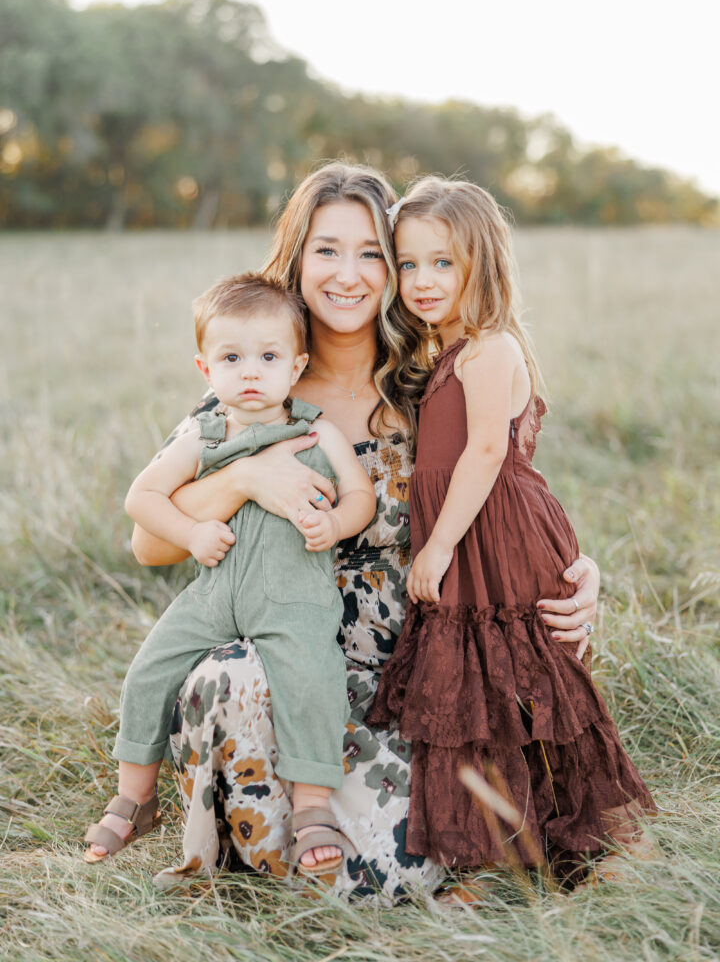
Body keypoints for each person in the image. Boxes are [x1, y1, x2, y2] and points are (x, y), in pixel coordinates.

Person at [128, 163, 601, 902]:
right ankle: (248, 835)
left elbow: (505, 499)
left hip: (405, 669)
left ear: (396, 265)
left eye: (372, 253)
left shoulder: (428, 384)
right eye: (326, 249)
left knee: (402, 861)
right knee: (230, 676)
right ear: (296, 257)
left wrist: (583, 574)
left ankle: (310, 851)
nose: (348, 275)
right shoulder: (254, 384)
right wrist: (244, 480)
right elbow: (149, 544)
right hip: (275, 648)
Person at [368, 177, 656, 881]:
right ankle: (505, 845)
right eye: (408, 264)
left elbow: (489, 452)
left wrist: (436, 545)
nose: (422, 280)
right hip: (472, 540)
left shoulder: (489, 348)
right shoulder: (441, 351)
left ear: (483, 264)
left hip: (497, 539)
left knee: (533, 681)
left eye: (443, 262)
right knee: (481, 691)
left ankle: (603, 841)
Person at [84, 274, 376, 872]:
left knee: (312, 678)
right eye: (232, 358)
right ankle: (135, 796)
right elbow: (142, 499)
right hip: (213, 595)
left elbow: (360, 495)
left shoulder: (318, 431)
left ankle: (311, 805)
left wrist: (338, 526)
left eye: (268, 358)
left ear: (296, 367)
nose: (250, 372)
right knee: (149, 669)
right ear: (204, 366)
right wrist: (192, 532)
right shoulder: (204, 433)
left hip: (293, 596)